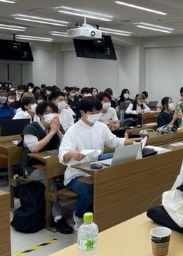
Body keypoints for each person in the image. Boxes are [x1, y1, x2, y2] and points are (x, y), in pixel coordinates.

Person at [58, 96, 140, 231]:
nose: (96, 115)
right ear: (83, 113)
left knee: (114, 181)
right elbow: (63, 154)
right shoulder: (73, 131)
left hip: (97, 169)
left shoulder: (101, 127)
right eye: (92, 113)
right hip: (77, 174)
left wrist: (136, 141)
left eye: (98, 112)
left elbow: (115, 142)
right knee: (88, 193)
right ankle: (78, 216)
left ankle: (105, 214)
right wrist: (71, 154)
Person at [20, 101, 73, 234]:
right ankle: (57, 217)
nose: (51, 115)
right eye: (47, 113)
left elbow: (68, 144)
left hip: (53, 164)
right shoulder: (30, 128)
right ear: (39, 115)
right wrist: (51, 132)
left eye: (53, 112)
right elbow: (35, 148)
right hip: (33, 167)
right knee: (50, 182)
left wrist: (58, 131)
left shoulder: (56, 127)